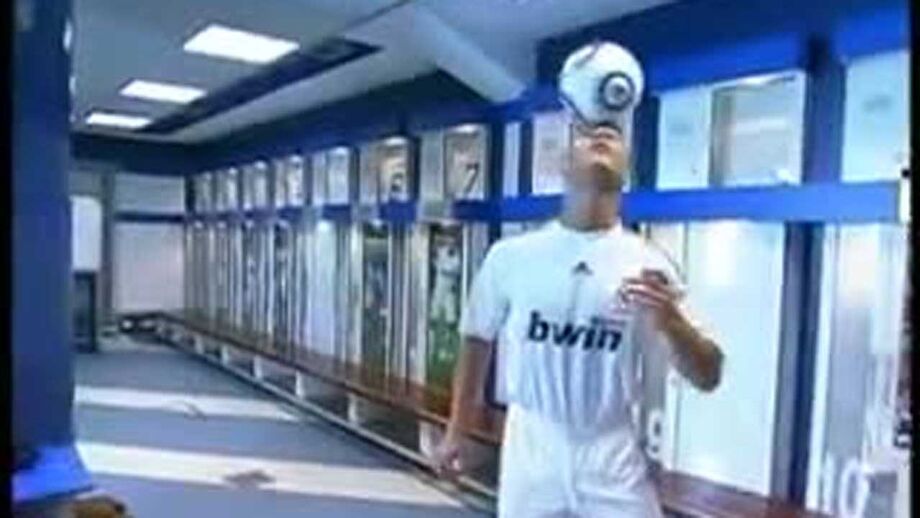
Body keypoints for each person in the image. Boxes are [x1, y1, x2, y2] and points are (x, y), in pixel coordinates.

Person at [430, 115, 725, 516]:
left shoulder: (651, 266)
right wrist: (456, 431)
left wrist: (672, 323)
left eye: (613, 136)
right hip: (533, 448)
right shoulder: (512, 257)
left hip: (611, 452)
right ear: (564, 165)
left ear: (627, 172)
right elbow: (476, 339)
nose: (601, 135)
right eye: (586, 135)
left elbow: (709, 374)